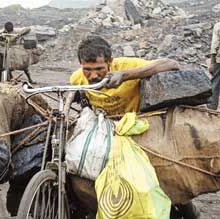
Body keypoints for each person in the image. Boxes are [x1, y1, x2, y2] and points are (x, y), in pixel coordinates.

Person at [66, 35, 200, 219]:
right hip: (105, 127)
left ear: (110, 62)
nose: (94, 75)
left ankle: (186, 207)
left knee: (161, 171)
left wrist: (126, 76)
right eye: (87, 70)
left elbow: (171, 64)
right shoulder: (76, 78)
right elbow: (80, 99)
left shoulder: (126, 66)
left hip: (138, 124)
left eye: (99, 69)